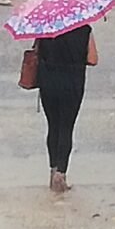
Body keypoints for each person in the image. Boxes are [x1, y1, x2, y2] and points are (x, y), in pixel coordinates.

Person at [37, 25, 98, 193]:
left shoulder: (44, 27)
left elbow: (38, 53)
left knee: (53, 126)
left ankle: (52, 171)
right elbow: (93, 59)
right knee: (66, 127)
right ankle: (61, 175)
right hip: (73, 82)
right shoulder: (84, 29)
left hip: (48, 81)